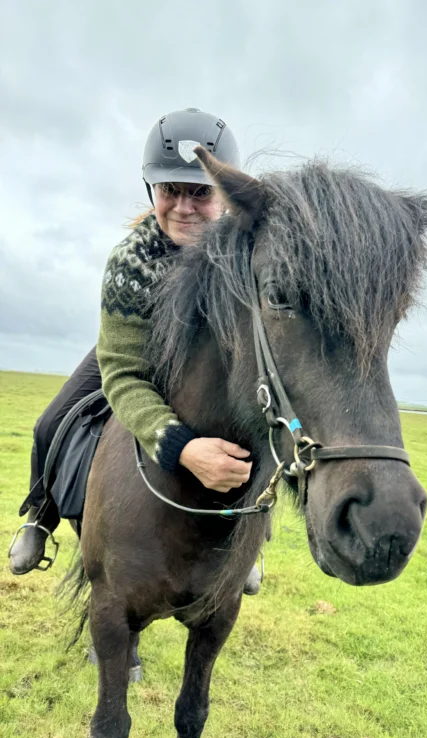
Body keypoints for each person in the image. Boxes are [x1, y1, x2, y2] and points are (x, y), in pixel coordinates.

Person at [9, 108, 260, 594]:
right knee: (49, 421)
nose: (183, 207)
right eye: (170, 190)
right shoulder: (131, 260)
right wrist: (180, 447)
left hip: (207, 362)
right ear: (153, 190)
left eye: (200, 192)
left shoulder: (245, 258)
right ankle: (40, 515)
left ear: (226, 197)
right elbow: (123, 372)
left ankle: (254, 537)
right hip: (135, 348)